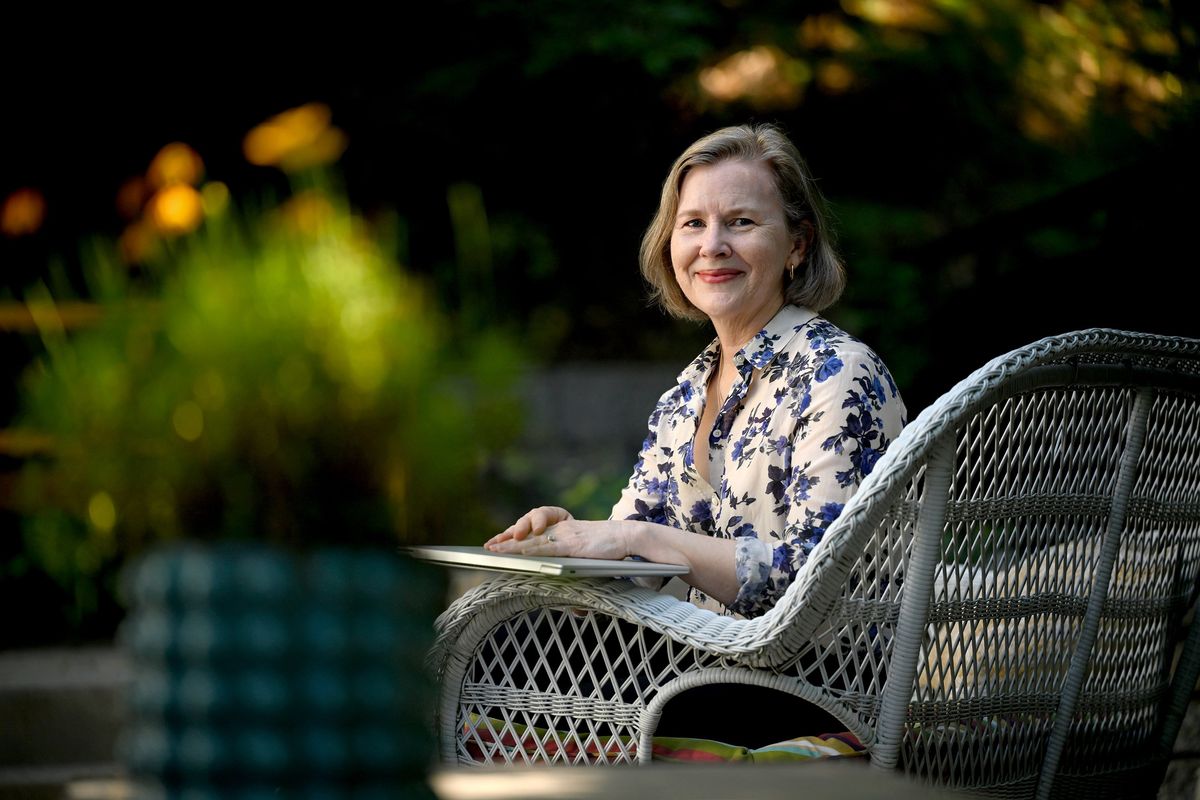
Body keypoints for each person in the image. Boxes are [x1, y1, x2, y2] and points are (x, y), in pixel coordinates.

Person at [486, 122, 906, 622]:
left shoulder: (837, 374)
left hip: (818, 686)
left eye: (742, 222)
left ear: (797, 244)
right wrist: (564, 544)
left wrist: (637, 538)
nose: (712, 245)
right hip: (704, 675)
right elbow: (631, 566)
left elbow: (819, 584)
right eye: (692, 224)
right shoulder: (686, 394)